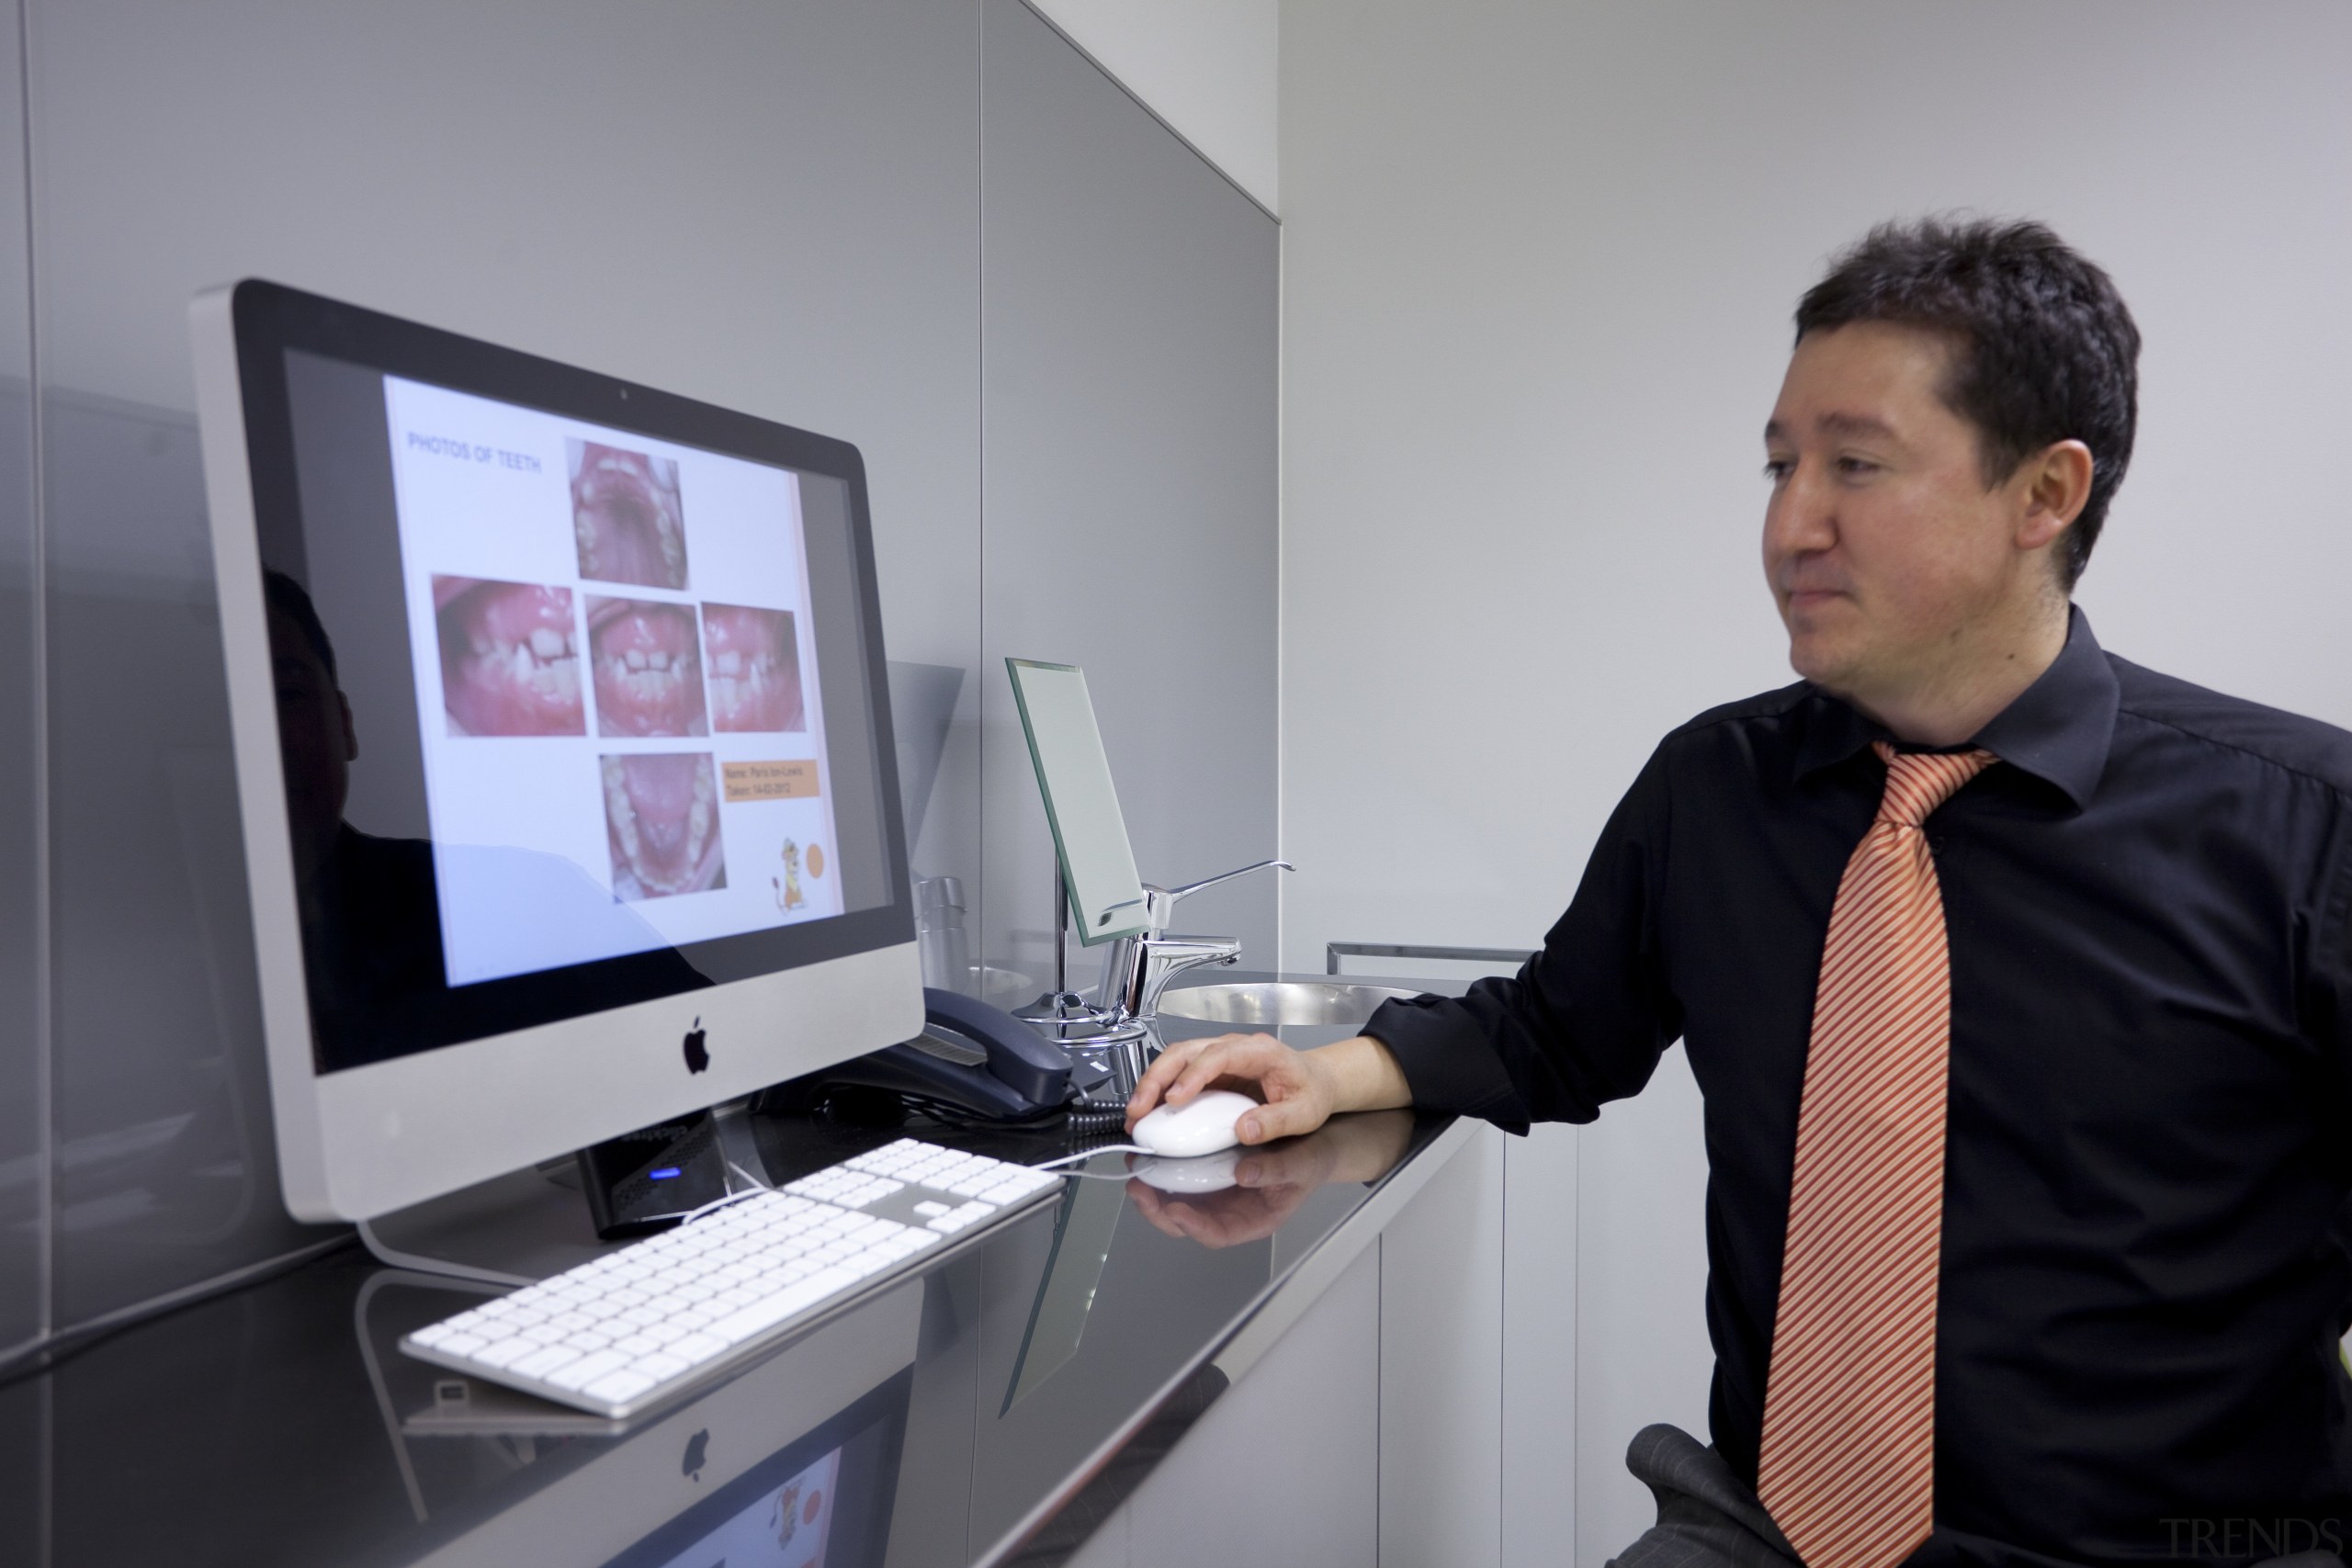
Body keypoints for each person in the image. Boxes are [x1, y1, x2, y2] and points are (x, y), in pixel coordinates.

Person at [1126, 219, 2352, 1565]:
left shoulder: (2304, 833)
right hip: (1770, 1535)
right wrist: (1336, 1075)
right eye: (1779, 466)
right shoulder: (1716, 787)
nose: (1788, 527)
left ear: (2044, 495)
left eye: (1856, 467)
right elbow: (1554, 1031)